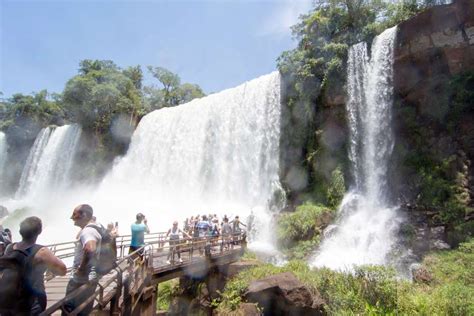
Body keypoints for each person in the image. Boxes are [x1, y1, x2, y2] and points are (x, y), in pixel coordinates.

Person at [1, 217, 66, 315]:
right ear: (39, 231)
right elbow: (62, 271)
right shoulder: (42, 252)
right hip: (31, 302)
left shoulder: (9, 248)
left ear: (20, 231)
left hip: (9, 300)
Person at [62, 204, 102, 316]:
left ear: (84, 215)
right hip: (90, 277)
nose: (71, 217)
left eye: (74, 214)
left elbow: (90, 249)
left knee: (69, 310)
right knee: (83, 310)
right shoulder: (95, 228)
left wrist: (81, 269)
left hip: (80, 280)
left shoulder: (87, 232)